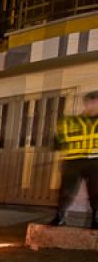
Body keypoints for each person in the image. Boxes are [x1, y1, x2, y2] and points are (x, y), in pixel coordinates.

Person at [50, 91, 98, 229]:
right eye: (90, 102)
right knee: (66, 191)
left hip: (96, 161)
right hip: (73, 161)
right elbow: (58, 143)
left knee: (96, 191)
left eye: (95, 102)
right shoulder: (71, 122)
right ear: (85, 103)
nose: (92, 105)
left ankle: (96, 218)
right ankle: (60, 216)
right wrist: (58, 140)